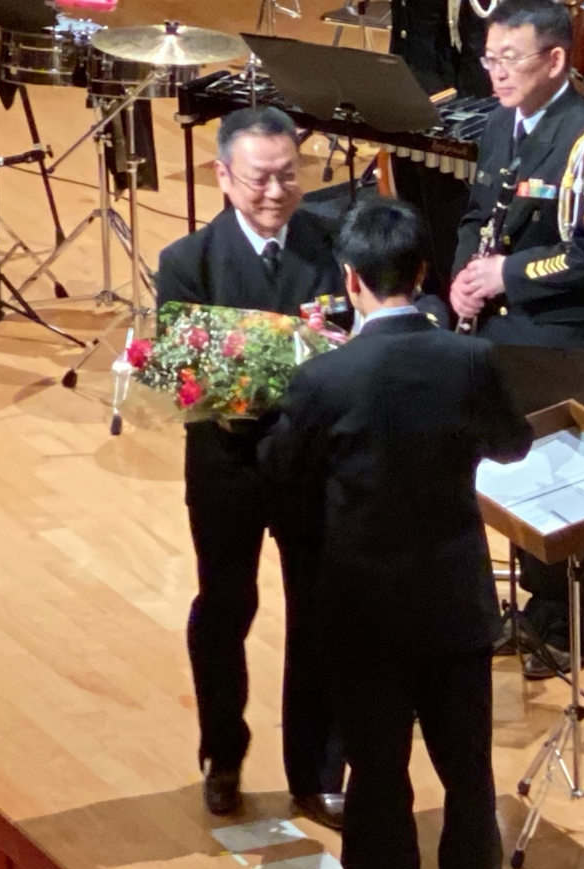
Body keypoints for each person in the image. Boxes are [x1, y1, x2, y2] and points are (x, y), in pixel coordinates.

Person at [261, 197, 533, 869]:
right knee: (469, 775)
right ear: (423, 273)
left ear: (349, 279)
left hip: (364, 609)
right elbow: (513, 444)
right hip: (456, 605)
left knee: (378, 771)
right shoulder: (471, 363)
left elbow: (282, 478)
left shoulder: (324, 377)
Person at [156, 107, 347, 829]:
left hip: (313, 466)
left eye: (288, 175)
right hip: (228, 467)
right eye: (260, 177)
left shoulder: (334, 244)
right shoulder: (188, 261)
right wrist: (301, 354)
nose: (275, 191)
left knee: (320, 615)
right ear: (224, 176)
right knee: (226, 608)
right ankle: (223, 755)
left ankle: (319, 773)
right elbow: (189, 375)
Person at [450, 0, 584, 680]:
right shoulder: (503, 123)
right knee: (510, 479)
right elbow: (476, 214)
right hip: (498, 333)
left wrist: (507, 274)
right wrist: (464, 278)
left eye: (510, 59)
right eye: (490, 58)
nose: (496, 72)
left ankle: (573, 628)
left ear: (555, 60)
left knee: (562, 493)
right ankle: (529, 611)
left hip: (560, 341)